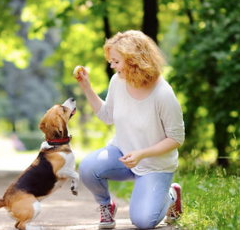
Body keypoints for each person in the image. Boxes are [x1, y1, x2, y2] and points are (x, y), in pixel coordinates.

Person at [75, 30, 185, 229]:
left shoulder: (163, 94)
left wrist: (143, 154)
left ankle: (171, 195)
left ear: (133, 60)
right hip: (123, 154)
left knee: (143, 222)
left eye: (116, 61)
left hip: (154, 164)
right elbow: (107, 116)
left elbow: (176, 138)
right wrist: (87, 88)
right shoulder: (118, 81)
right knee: (88, 167)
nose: (111, 65)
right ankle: (106, 207)